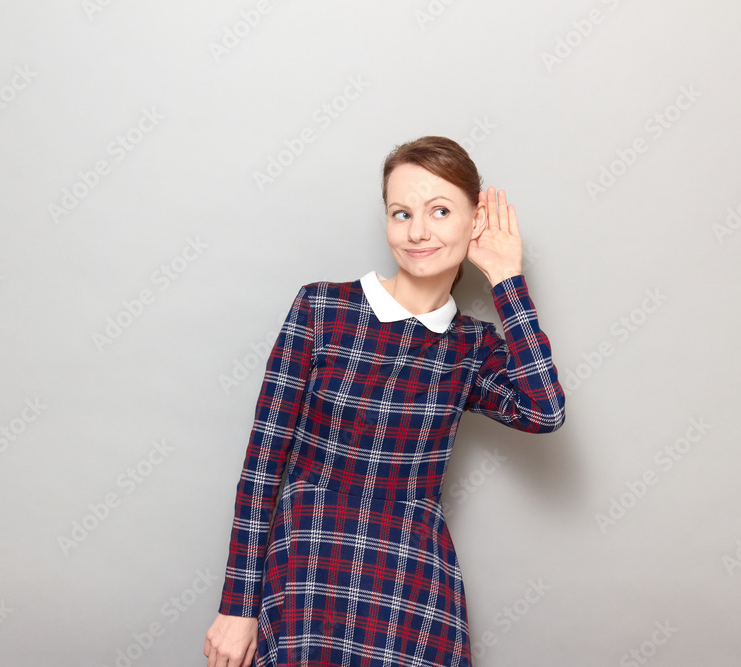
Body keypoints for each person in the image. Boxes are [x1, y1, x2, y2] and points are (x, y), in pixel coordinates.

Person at [204, 136, 566, 666]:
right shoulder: (322, 308)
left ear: (475, 221)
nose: (417, 231)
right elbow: (263, 465)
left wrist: (507, 279)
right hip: (306, 578)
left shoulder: (472, 345)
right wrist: (238, 607)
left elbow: (544, 410)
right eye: (402, 213)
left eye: (440, 211)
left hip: (414, 590)